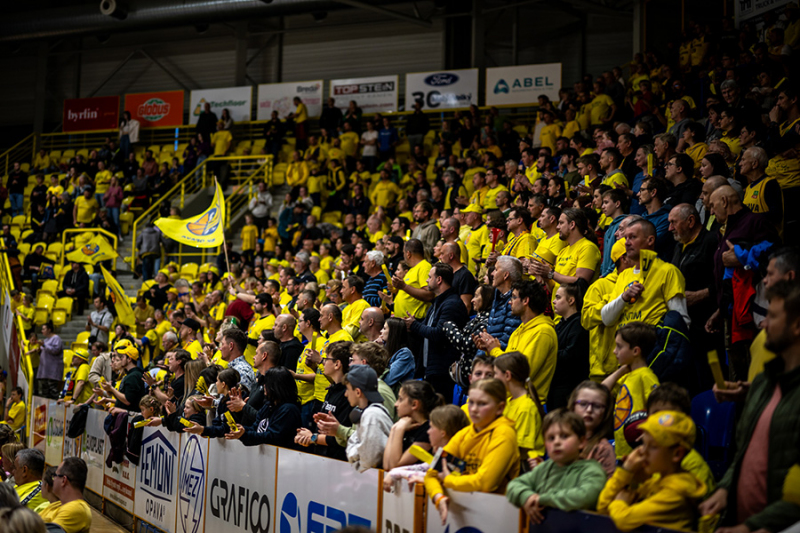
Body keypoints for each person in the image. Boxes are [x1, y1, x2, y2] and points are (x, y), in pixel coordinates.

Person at [699, 279, 800, 533]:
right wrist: (725, 489)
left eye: (773, 316)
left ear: (797, 325)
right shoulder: (764, 382)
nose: (763, 323)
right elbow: (744, 453)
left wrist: (751, 527)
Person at [424, 378, 520, 525]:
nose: (474, 409)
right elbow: (432, 475)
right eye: (472, 402)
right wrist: (439, 497)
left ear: (500, 408)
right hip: (465, 511)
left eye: (482, 404)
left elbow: (485, 483)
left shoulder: (505, 434)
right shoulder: (464, 434)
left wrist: (449, 481)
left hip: (497, 517)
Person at [597, 411, 706, 531]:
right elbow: (602, 507)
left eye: (653, 447)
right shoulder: (655, 482)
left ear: (677, 454)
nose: (643, 452)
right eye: (644, 444)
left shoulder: (675, 494)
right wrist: (630, 476)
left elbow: (624, 520)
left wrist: (620, 499)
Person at [506, 409, 608, 523]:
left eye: (564, 436)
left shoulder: (592, 470)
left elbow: (587, 496)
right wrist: (528, 497)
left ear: (581, 441)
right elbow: (513, 486)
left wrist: (541, 499)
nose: (557, 442)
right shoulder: (544, 468)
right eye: (551, 438)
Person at [477, 280, 558, 403]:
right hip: (510, 401)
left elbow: (520, 371)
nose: (510, 302)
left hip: (528, 404)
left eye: (514, 297)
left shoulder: (543, 332)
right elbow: (505, 368)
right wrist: (489, 349)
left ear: (525, 301)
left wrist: (495, 350)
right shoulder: (518, 331)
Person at [603, 219, 689, 329]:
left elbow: (681, 321)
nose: (627, 243)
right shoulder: (624, 275)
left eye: (633, 237)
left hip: (653, 344)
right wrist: (624, 298)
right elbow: (607, 320)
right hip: (624, 344)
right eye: (626, 238)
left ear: (650, 240)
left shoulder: (668, 271)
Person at [404, 263, 469, 399]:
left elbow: (439, 334)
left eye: (429, 277)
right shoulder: (437, 303)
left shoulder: (451, 304)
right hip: (432, 369)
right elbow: (428, 329)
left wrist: (415, 325)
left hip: (443, 371)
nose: (427, 280)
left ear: (439, 280)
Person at [602, 322, 660, 460]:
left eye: (619, 346)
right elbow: (601, 391)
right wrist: (621, 371)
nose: (614, 351)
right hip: (622, 451)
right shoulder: (627, 376)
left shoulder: (646, 376)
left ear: (635, 351)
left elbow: (659, 410)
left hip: (639, 452)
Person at [646, 383, 715, 496]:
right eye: (656, 414)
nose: (661, 422)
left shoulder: (693, 464)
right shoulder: (653, 456)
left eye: (669, 416)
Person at [382, 405, 469, 491]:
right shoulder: (441, 454)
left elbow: (436, 475)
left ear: (443, 433)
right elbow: (424, 467)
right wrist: (394, 472)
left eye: (431, 427)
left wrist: (395, 473)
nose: (428, 431)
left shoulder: (454, 456)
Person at [294, 341, 353, 460]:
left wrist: (312, 438)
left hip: (338, 460)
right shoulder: (332, 389)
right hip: (323, 456)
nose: (323, 362)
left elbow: (341, 438)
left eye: (326, 359)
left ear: (337, 364)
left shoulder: (348, 395)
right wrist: (308, 435)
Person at [223, 367, 302, 448]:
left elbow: (272, 437)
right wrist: (242, 430)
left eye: (267, 383)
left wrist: (245, 434)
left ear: (276, 386)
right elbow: (256, 428)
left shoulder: (289, 410)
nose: (264, 386)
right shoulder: (268, 406)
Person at [493, 352, 546, 464]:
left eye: (495, 374)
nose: (493, 378)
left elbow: (519, 448)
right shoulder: (508, 401)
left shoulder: (526, 407)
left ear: (507, 376)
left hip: (521, 465)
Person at [341, 365, 393, 472]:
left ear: (358, 392)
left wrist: (354, 452)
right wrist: (359, 450)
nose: (345, 394)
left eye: (347, 389)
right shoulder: (369, 412)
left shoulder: (372, 415)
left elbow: (367, 462)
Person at [382, 381, 442, 470]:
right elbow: (386, 466)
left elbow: (394, 467)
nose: (396, 404)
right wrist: (394, 429)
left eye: (400, 399)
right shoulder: (406, 427)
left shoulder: (428, 432)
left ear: (414, 404)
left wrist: (399, 429)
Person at [549, 283, 590, 409]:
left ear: (571, 300)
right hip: (556, 385)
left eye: (558, 297)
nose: (554, 302)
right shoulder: (561, 324)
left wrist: (547, 353)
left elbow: (570, 355)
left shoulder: (578, 324)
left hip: (569, 388)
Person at [567, 381, 616, 476]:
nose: (589, 410)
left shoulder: (603, 449)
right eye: (583, 404)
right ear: (573, 407)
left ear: (605, 413)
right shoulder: (560, 439)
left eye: (597, 406)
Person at [47, 457, 92, 533]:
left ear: (64, 480)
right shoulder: (58, 504)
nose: (53, 479)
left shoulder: (77, 508)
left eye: (55, 475)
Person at [102, 340, 145, 413]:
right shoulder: (131, 375)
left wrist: (111, 389)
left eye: (122, 357)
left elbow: (127, 401)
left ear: (129, 359)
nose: (120, 359)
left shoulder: (133, 376)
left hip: (128, 418)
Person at [377, 317, 416, 390]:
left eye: (384, 328)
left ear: (393, 332)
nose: (381, 331)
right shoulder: (385, 349)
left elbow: (388, 381)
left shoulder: (404, 354)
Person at [37, 322, 63, 400]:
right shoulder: (45, 340)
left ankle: (55, 410)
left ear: (49, 329)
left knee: (53, 391)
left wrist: (44, 345)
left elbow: (56, 350)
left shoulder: (56, 338)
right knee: (45, 392)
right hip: (44, 370)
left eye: (44, 329)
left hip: (52, 370)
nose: (42, 331)